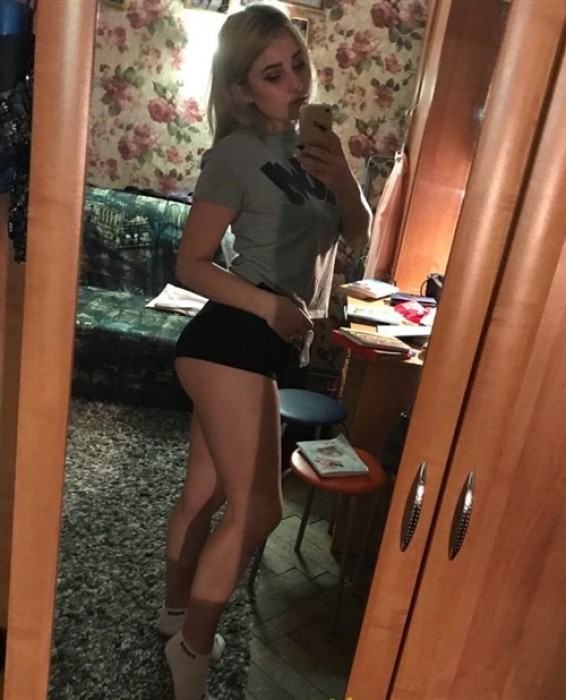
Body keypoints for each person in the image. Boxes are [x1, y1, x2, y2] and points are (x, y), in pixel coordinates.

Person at [159, 5, 371, 699]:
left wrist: (346, 180)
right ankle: (192, 651)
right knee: (259, 510)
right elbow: (190, 263)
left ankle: (173, 616)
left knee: (205, 492)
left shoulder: (316, 151)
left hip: (265, 343)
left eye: (299, 66)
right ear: (242, 89)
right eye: (273, 74)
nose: (296, 84)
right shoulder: (236, 153)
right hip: (235, 337)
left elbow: (359, 238)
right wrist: (270, 306)